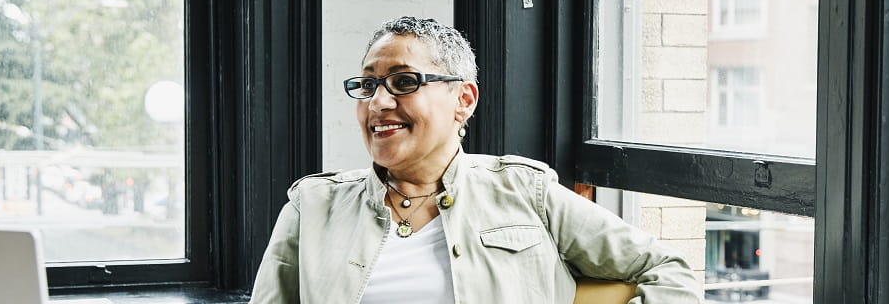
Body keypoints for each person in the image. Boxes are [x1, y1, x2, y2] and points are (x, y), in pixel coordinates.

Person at [250, 16, 701, 303]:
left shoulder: (526, 191)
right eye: (367, 85)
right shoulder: (312, 207)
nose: (378, 102)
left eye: (403, 81)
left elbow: (667, 269)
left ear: (462, 99)